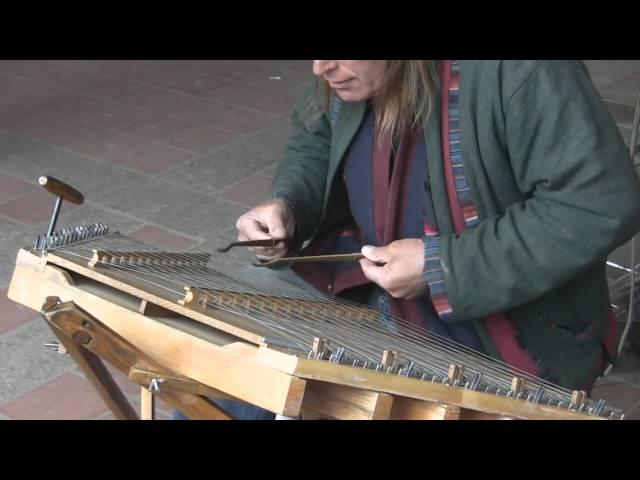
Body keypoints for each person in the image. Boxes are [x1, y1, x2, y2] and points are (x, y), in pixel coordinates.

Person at [181, 60, 640, 420]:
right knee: (224, 386)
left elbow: (599, 203)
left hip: (498, 329)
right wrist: (288, 207)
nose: (320, 68)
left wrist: (444, 266)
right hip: (364, 286)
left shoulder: (522, 69)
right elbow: (316, 140)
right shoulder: (349, 74)